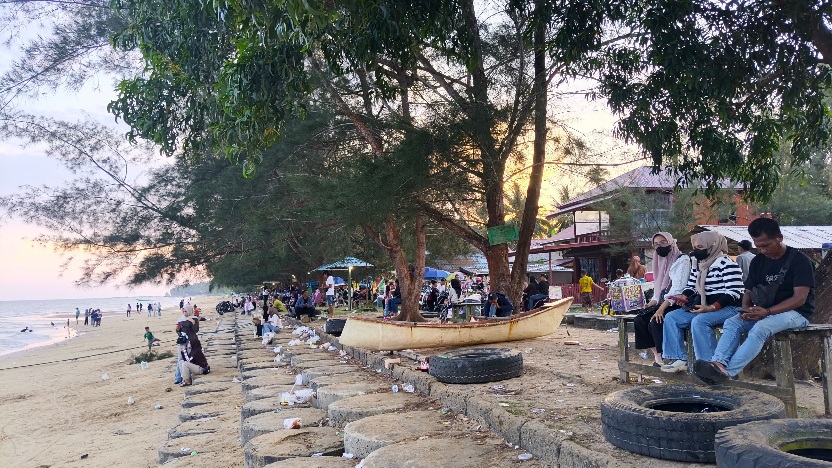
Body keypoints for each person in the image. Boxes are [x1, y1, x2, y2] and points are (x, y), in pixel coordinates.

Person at [693, 218, 815, 384]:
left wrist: (768, 312)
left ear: (779, 237)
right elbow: (748, 290)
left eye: (766, 245)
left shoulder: (799, 260)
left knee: (761, 328)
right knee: (732, 323)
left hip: (797, 313)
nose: (762, 250)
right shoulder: (758, 261)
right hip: (764, 311)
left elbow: (800, 298)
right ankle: (718, 363)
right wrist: (745, 309)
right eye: (758, 246)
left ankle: (726, 372)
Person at [660, 231, 745, 373]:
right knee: (672, 317)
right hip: (704, 305)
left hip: (728, 307)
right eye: (694, 247)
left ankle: (708, 364)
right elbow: (692, 285)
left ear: (713, 246)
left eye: (700, 247)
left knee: (700, 321)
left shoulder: (727, 264)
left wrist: (712, 307)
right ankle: (678, 358)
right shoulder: (699, 264)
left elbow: (734, 292)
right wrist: (684, 296)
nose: (695, 250)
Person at [633, 232, 692, 366]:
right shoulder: (659, 261)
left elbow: (677, 290)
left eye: (663, 243)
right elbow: (657, 292)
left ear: (671, 243)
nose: (660, 246)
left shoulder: (682, 260)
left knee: (657, 321)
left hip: (678, 302)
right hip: (663, 302)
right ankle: (658, 357)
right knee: (640, 320)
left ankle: (672, 357)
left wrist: (660, 309)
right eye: (656, 244)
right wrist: (650, 304)